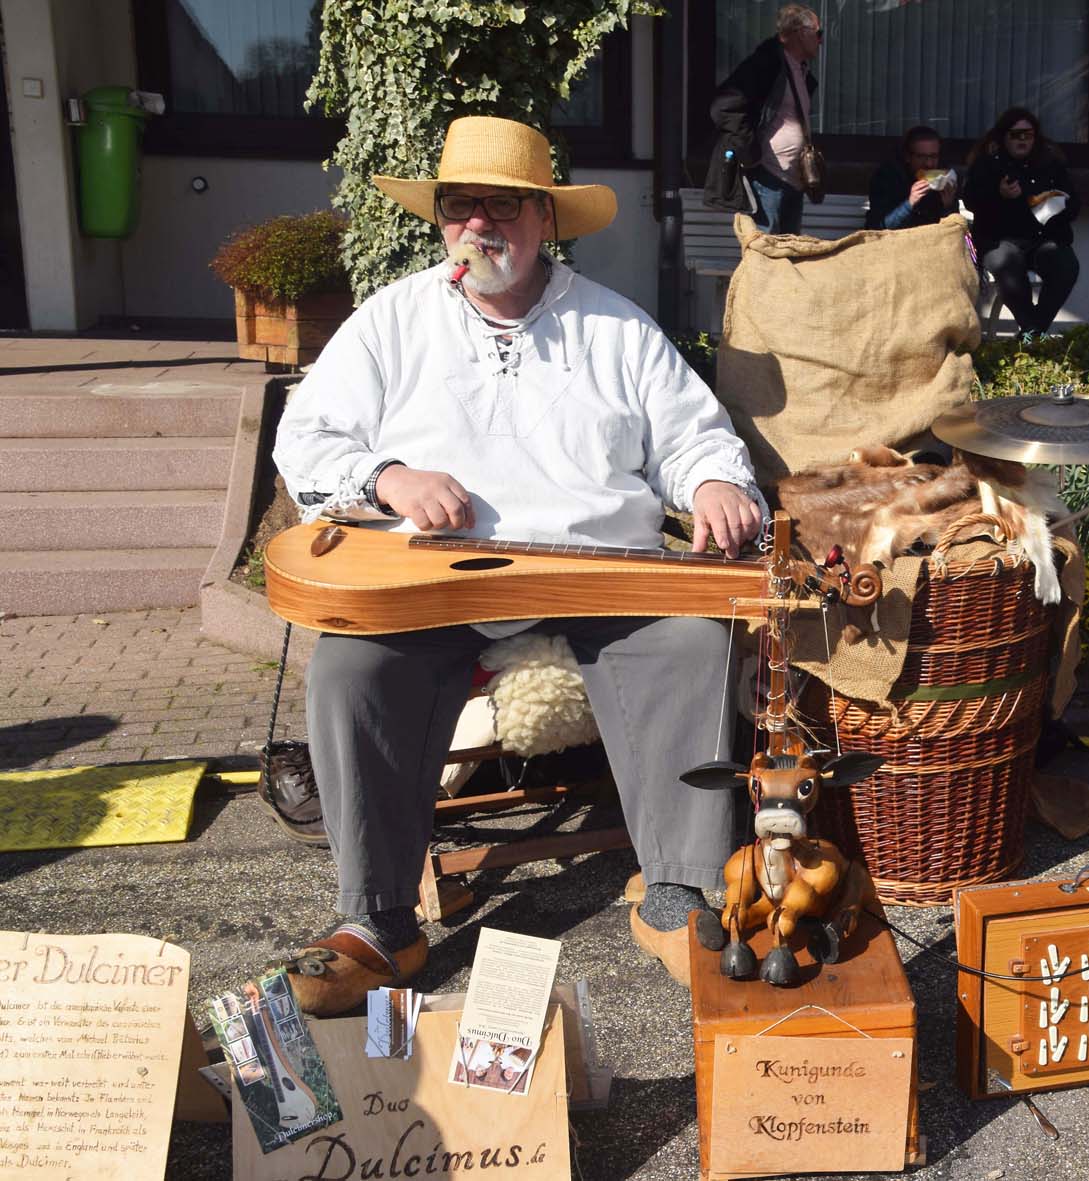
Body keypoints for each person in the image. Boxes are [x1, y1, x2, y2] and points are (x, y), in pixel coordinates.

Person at [272, 116, 767, 1013]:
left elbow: (696, 438)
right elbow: (305, 439)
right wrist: (388, 476)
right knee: (351, 666)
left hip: (595, 570)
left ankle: (678, 890)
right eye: (461, 206)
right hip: (435, 579)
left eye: (504, 206)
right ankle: (379, 922)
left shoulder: (616, 327)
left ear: (547, 219)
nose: (479, 224)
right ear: (441, 221)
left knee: (699, 642)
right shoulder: (391, 321)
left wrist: (714, 486)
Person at [962, 107, 1080, 339]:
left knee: (1065, 265)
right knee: (1006, 262)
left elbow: (1074, 205)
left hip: (1042, 238)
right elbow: (972, 200)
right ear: (1004, 136)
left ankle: (1033, 330)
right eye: (1016, 135)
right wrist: (1000, 195)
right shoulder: (988, 164)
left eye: (1028, 134)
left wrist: (1053, 203)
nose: (1022, 140)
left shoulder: (1050, 163)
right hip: (999, 238)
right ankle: (1032, 331)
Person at [705, 4, 824, 234]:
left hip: (793, 178)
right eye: (818, 34)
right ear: (801, 32)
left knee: (788, 253)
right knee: (765, 251)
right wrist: (752, 155)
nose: (821, 41)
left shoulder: (801, 71)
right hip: (768, 176)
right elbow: (723, 107)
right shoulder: (766, 63)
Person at [865, 125, 957, 230]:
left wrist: (948, 207)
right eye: (921, 157)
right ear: (908, 157)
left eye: (933, 156)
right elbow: (879, 227)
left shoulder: (944, 178)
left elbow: (954, 230)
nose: (929, 163)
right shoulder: (887, 178)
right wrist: (910, 203)